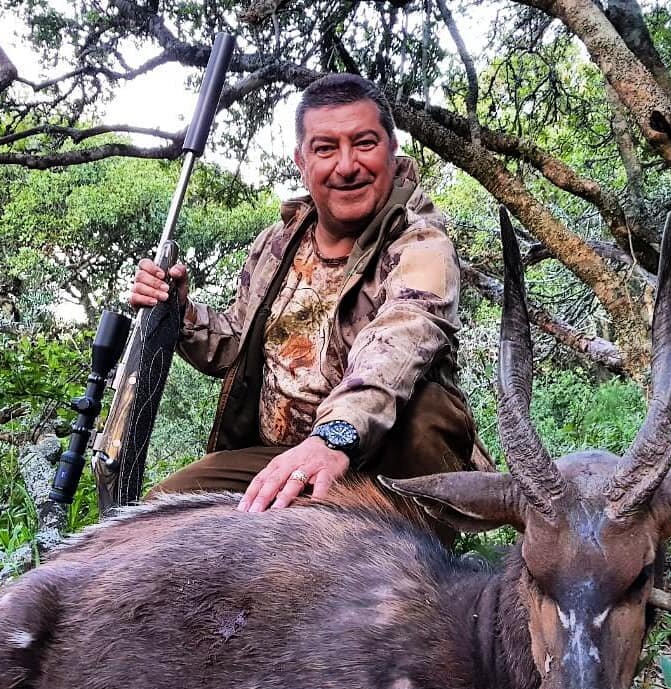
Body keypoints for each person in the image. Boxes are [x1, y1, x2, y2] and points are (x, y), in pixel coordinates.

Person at [129, 73, 481, 529]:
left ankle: (410, 551)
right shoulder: (275, 245)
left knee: (426, 414)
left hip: (386, 460)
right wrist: (180, 313)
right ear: (301, 159)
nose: (347, 165)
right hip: (285, 454)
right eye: (325, 148)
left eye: (365, 143)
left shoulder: (422, 243)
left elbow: (399, 341)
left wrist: (333, 438)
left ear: (392, 151)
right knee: (155, 519)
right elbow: (235, 343)